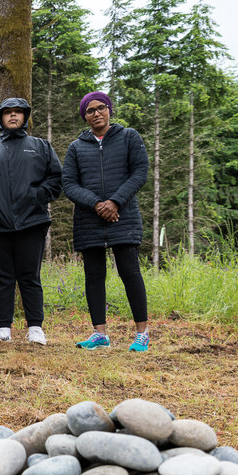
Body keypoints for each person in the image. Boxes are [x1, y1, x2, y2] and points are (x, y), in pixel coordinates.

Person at [0, 97, 63, 345]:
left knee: (30, 276)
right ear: (0, 118)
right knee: (1, 277)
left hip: (32, 221)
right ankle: (3, 328)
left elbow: (56, 179)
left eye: (18, 112)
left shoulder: (41, 147)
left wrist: (37, 196)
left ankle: (35, 328)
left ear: (25, 117)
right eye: (7, 112)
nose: (12, 116)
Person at [62, 92, 151, 352]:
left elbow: (140, 171)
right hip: (89, 220)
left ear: (109, 110)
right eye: (90, 110)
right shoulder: (76, 147)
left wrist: (115, 202)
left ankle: (142, 332)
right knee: (94, 276)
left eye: (101, 107)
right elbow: (68, 183)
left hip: (123, 216)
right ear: (84, 116)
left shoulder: (129, 137)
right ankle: (99, 334)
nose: (97, 113)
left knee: (130, 272)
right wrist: (97, 204)